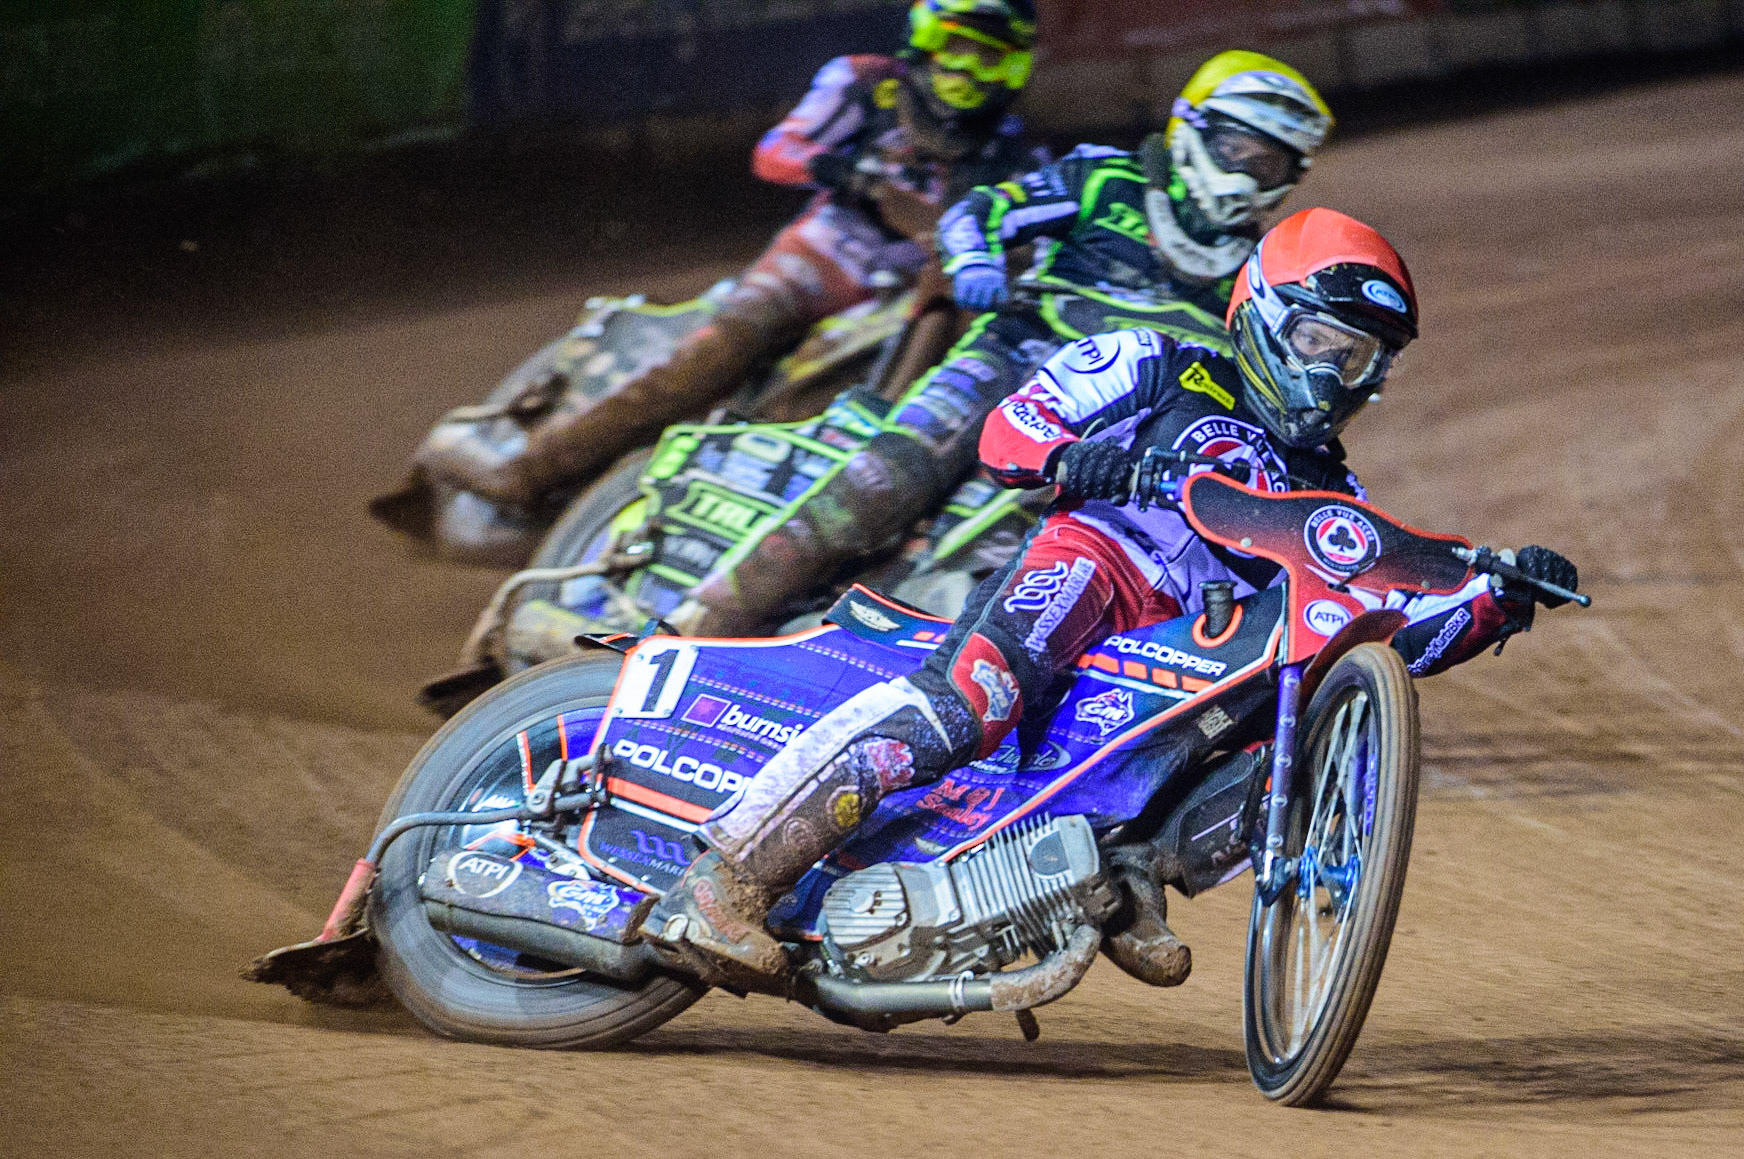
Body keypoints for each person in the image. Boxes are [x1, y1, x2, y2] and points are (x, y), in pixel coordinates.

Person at [641, 207, 1581, 986]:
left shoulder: (1334, 491)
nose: (1336, 374)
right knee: (971, 699)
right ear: (1261, 312)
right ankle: (727, 879)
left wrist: (1496, 599)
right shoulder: (1160, 362)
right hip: (1095, 557)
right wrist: (1073, 456)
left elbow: (1388, 625)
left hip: (1182, 644)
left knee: (1275, 727)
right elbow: (1011, 428)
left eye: (1361, 358)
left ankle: (1122, 865)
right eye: (1321, 342)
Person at [672, 49, 1335, 635]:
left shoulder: (1260, 274)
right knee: (881, 481)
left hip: (1116, 434)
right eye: (1236, 151)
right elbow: (980, 212)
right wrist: (979, 263)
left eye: (1268, 161)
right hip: (1012, 364)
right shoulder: (1107, 180)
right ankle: (691, 621)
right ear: (1191, 131)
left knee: (1076, 570)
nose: (1247, 174)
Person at [423, 0, 1041, 509]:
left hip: (910, 295)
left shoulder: (1015, 157)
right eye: (959, 46)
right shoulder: (864, 82)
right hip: (824, 257)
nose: (970, 69)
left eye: (990, 56)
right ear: (928, 38)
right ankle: (530, 471)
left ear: (1014, 67)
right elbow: (775, 151)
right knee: (729, 348)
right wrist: (855, 175)